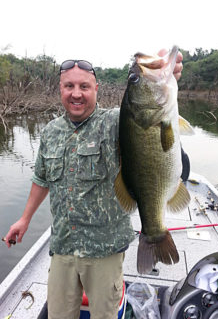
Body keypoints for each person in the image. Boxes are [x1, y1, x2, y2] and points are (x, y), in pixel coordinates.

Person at [4, 49, 183, 319]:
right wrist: (25, 219)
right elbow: (42, 178)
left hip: (104, 251)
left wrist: (168, 75)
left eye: (84, 86)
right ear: (60, 89)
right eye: (69, 86)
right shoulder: (51, 131)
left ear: (96, 89)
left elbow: (152, 140)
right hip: (63, 246)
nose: (76, 93)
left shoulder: (115, 122)